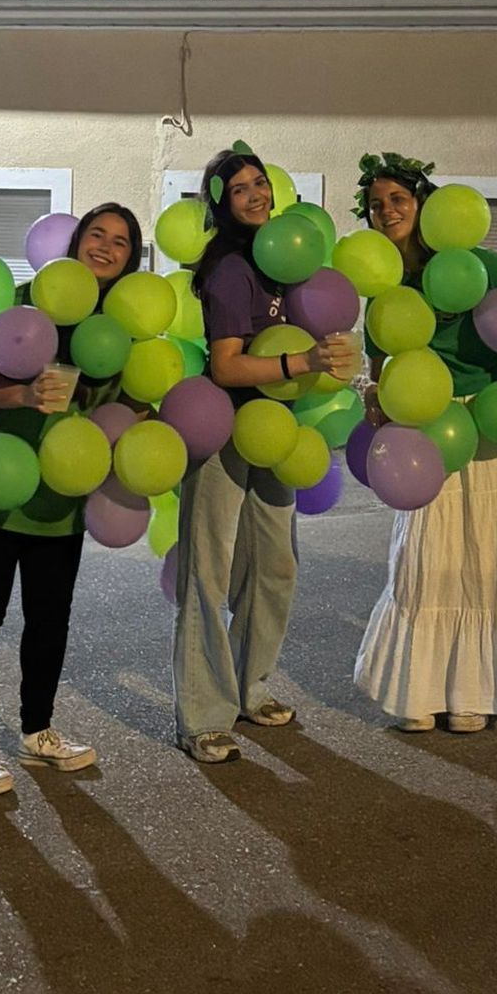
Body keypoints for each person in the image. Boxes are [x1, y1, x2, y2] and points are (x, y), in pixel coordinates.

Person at [351, 153, 497, 734]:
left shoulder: (477, 263)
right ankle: (420, 691)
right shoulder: (381, 278)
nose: (388, 211)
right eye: (377, 204)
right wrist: (373, 390)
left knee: (496, 561)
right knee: (425, 562)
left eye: (398, 199)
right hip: (430, 428)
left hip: (495, 420)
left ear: (423, 204)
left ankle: (478, 693)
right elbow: (381, 346)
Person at [0, 203, 143, 798]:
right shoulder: (24, 299)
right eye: (96, 235)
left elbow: (125, 401)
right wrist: (26, 394)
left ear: (131, 258)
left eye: (120, 242)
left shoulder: (116, 325)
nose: (105, 247)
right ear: (76, 240)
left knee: (49, 617)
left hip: (62, 489)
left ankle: (37, 730)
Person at [173, 144, 356, 764]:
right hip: (226, 427)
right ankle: (202, 715)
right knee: (209, 571)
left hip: (277, 428)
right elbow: (226, 367)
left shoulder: (285, 261)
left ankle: (251, 687)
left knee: (275, 566)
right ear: (222, 204)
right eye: (241, 189)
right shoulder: (229, 269)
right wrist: (301, 362)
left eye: (262, 185)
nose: (256, 195)